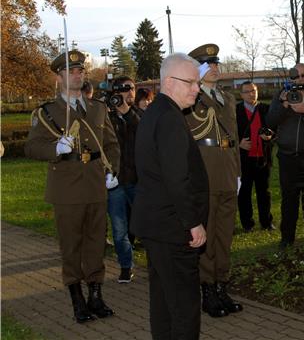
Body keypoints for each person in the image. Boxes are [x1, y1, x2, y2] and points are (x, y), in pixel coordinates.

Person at [25, 50, 120, 323]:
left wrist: (112, 170)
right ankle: (77, 299)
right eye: (71, 71)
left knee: (95, 243)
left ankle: (96, 295)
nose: (78, 75)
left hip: (95, 184)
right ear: (59, 76)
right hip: (66, 188)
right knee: (71, 245)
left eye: (80, 71)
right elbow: (32, 147)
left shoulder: (98, 108)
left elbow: (112, 145)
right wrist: (55, 147)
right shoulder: (47, 113)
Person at [130, 53, 209, 339]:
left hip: (156, 225)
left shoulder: (156, 113)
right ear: (168, 81)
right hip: (173, 227)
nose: (196, 88)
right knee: (184, 308)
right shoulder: (170, 118)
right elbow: (177, 178)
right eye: (190, 82)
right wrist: (193, 221)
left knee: (163, 301)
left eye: (197, 82)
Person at [186, 43, 243, 318]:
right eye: (208, 64)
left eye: (216, 63)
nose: (215, 68)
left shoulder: (228, 99)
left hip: (228, 174)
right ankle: (207, 290)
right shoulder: (191, 101)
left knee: (224, 236)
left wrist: (239, 172)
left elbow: (232, 140)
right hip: (206, 176)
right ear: (197, 69)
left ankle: (222, 286)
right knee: (207, 236)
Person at [266, 63, 304, 249]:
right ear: (291, 78)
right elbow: (270, 121)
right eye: (296, 76)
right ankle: (287, 239)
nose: (300, 79)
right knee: (289, 201)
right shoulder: (281, 94)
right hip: (287, 158)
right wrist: (284, 105)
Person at [106, 75, 140, 283]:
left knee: (148, 223)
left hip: (139, 180)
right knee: (119, 230)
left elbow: (144, 131)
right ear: (114, 93)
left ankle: (158, 263)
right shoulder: (105, 117)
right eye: (122, 89)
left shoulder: (141, 115)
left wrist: (127, 112)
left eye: (131, 89)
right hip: (115, 181)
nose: (128, 92)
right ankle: (126, 266)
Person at [236, 81, 275, 232]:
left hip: (262, 158)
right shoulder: (235, 111)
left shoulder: (266, 108)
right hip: (244, 159)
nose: (251, 94)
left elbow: (275, 128)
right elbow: (228, 132)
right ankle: (247, 224)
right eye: (247, 91)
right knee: (244, 192)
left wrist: (271, 136)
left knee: (264, 192)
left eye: (253, 90)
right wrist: (239, 143)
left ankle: (266, 222)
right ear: (241, 95)